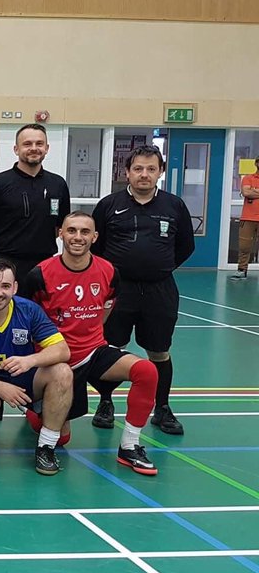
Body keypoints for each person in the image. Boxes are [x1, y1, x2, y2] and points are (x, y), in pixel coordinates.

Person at [20, 212, 161, 475]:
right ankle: (41, 426)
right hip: (56, 360)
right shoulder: (40, 274)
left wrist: (92, 334)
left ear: (95, 237)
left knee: (147, 370)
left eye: (85, 232)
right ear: (60, 234)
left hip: (94, 351)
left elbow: (106, 305)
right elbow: (26, 318)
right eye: (71, 230)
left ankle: (129, 446)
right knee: (62, 439)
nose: (78, 237)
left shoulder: (108, 271)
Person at [90, 145, 193, 435]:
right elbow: (96, 247)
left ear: (160, 172)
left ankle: (162, 408)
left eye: (150, 168)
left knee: (159, 351)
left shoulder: (174, 206)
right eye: (138, 169)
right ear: (127, 173)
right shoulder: (109, 205)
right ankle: (106, 402)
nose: (144, 174)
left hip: (160, 291)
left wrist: (159, 267)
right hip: (118, 292)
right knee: (110, 349)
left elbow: (186, 245)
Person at [0, 259, 74, 475]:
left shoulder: (29, 310)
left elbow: (62, 350)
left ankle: (46, 447)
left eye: (5, 286)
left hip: (24, 378)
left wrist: (29, 360)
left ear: (15, 288)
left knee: (62, 371)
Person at [0, 123, 70, 283]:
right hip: (3, 264)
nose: (34, 148)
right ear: (16, 149)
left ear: (46, 148)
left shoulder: (58, 184)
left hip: (44, 264)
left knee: (42, 309)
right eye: (27, 144)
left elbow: (61, 225)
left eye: (39, 144)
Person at [231, 159, 259, 280]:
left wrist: (254, 191)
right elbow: (246, 192)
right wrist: (250, 192)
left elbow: (250, 192)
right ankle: (242, 270)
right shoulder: (248, 178)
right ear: (257, 164)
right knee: (244, 246)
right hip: (248, 218)